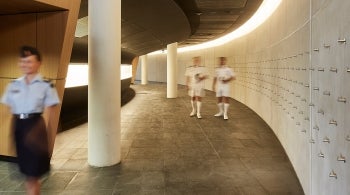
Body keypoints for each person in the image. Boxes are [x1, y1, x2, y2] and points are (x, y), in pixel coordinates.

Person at [1, 46, 60, 195]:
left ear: (39, 63)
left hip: (35, 128)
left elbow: (50, 113)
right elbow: (5, 110)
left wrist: (44, 134)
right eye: (22, 61)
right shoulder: (13, 85)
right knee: (28, 174)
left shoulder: (46, 85)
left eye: (29, 61)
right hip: (18, 128)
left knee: (32, 175)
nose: (25, 65)